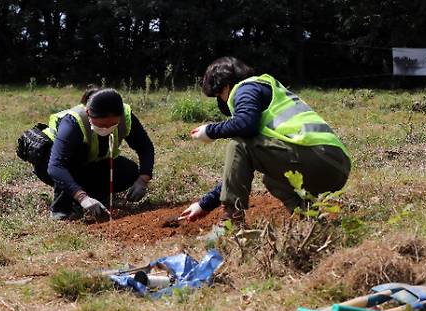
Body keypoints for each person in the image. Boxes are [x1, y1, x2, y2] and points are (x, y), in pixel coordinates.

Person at [179, 56, 350, 226]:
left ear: (226, 86)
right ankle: (313, 222)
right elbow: (237, 171)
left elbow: (245, 125)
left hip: (315, 158)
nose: (221, 101)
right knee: (273, 181)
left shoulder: (245, 89)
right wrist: (204, 204)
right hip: (335, 165)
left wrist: (210, 131)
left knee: (238, 144)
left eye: (219, 95)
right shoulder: (266, 89)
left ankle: (231, 223)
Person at [36, 88, 155, 220]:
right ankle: (62, 209)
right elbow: (56, 166)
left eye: (113, 124)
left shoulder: (125, 116)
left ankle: (94, 196)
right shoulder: (73, 123)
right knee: (75, 157)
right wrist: (83, 198)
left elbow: (145, 147)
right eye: (103, 124)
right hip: (50, 165)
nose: (107, 128)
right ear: (88, 113)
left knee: (129, 171)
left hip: (88, 164)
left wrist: (143, 179)